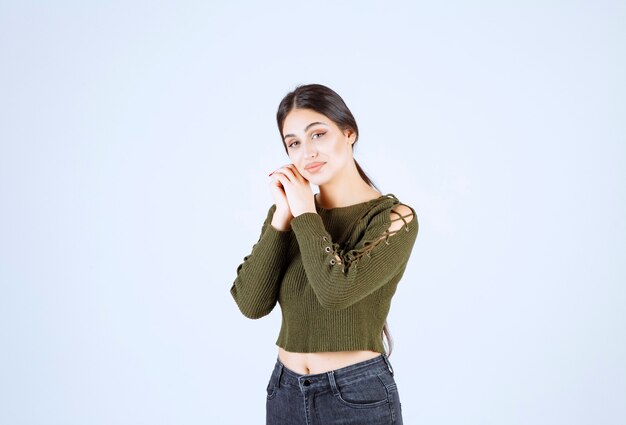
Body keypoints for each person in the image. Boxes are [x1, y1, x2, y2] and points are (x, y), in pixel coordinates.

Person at [230, 83, 419, 425]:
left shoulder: (394, 218)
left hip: (355, 395)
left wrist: (305, 214)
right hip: (285, 391)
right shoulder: (291, 215)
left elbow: (336, 291)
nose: (307, 152)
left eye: (318, 134)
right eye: (294, 143)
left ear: (349, 133)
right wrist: (282, 220)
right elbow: (251, 303)